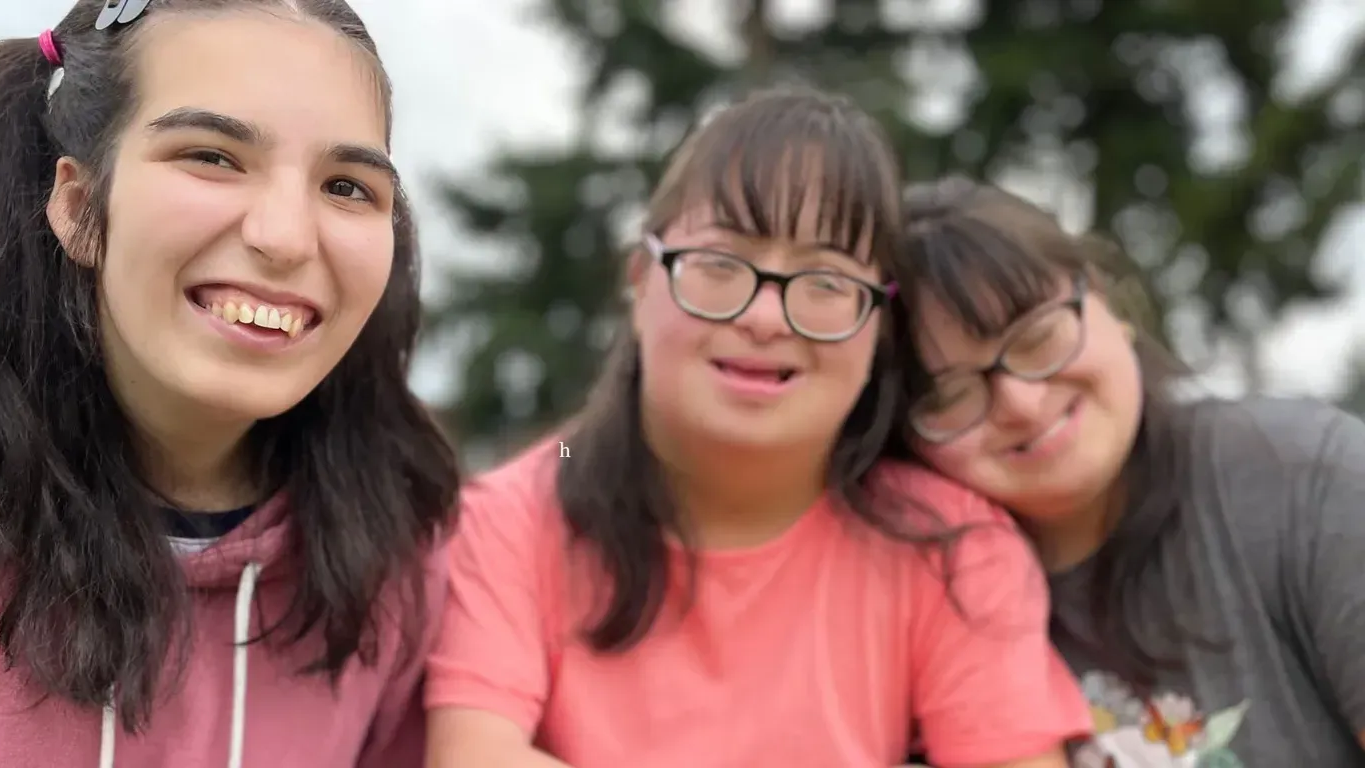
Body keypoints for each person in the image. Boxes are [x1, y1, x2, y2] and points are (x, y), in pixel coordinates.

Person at [0, 1, 459, 766]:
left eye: (348, 186)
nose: (287, 237)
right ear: (77, 203)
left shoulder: (400, 548)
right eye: (213, 156)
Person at [422, 88, 1091, 768]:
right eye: (719, 264)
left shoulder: (952, 549)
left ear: (877, 327)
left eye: (826, 281)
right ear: (640, 281)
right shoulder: (512, 521)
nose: (767, 319)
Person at [890, 175, 1365, 767]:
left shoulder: (1302, 479)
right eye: (950, 394)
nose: (1022, 403)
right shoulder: (905, 607)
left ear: (1107, 303)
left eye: (1039, 337)